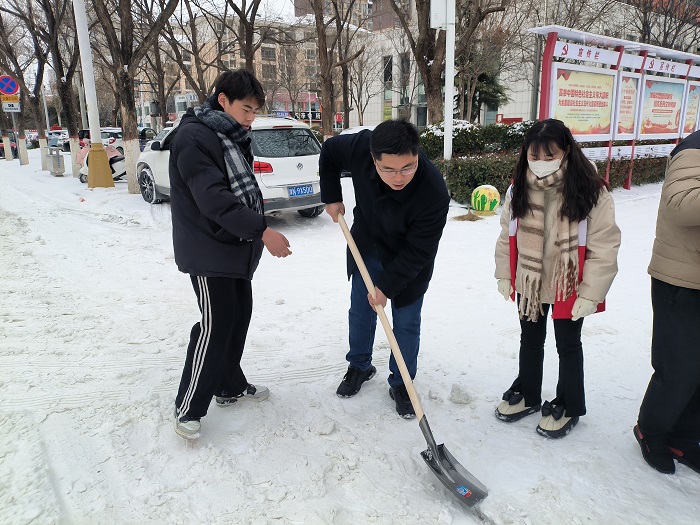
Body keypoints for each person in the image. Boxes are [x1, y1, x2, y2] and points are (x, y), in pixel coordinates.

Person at [169, 69, 292, 440]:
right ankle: (187, 405)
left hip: (234, 245)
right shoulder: (193, 137)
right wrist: (262, 230)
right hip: (209, 247)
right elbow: (214, 199)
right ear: (222, 100)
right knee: (215, 325)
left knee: (237, 318)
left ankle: (228, 385)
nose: (252, 117)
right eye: (247, 109)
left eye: (256, 110)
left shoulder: (229, 134)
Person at [493, 119, 621, 438]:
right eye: (534, 155)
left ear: (566, 151)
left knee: (568, 345)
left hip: (569, 282)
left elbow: (605, 243)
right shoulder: (519, 185)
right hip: (530, 280)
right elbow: (505, 234)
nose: (540, 162)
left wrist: (591, 293)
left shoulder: (590, 188)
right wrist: (504, 275)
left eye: (549, 155)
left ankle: (569, 402)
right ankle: (528, 392)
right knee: (530, 340)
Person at [319, 120, 450, 419]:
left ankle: (402, 382)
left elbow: (419, 251)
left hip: (407, 260)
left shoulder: (433, 191)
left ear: (417, 154)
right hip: (367, 244)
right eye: (388, 169)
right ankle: (360, 365)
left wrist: (386, 288)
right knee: (361, 312)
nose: (399, 177)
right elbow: (329, 152)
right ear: (373, 158)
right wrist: (332, 195)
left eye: (407, 167)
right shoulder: (359, 147)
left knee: (405, 322)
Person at [634, 130, 700, 475]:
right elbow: (681, 205)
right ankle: (652, 430)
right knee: (679, 368)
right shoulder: (694, 149)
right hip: (681, 278)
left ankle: (685, 438)